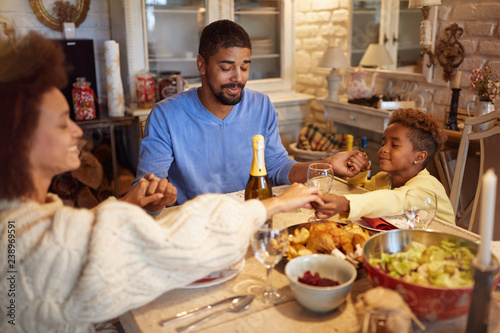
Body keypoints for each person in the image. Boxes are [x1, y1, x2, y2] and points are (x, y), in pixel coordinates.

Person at [0, 32, 324, 333]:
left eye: (243, 66)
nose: (76, 131)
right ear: (20, 139)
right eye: (62, 124)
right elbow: (168, 241)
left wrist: (130, 203)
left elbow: (91, 232)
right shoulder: (31, 239)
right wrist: (276, 204)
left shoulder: (20, 220)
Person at [135, 19, 369, 211]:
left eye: (245, 67)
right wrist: (158, 197)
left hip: (252, 217)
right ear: (202, 64)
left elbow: (277, 167)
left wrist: (325, 165)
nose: (238, 77)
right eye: (226, 68)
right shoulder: (166, 116)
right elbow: (146, 191)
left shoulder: (261, 105)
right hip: (194, 225)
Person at [313, 108, 455, 224]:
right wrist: (358, 173)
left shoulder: (427, 188)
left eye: (394, 145)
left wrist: (345, 203)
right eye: (383, 143)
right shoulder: (384, 178)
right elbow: (363, 193)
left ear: (419, 157)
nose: (383, 149)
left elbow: (394, 200)